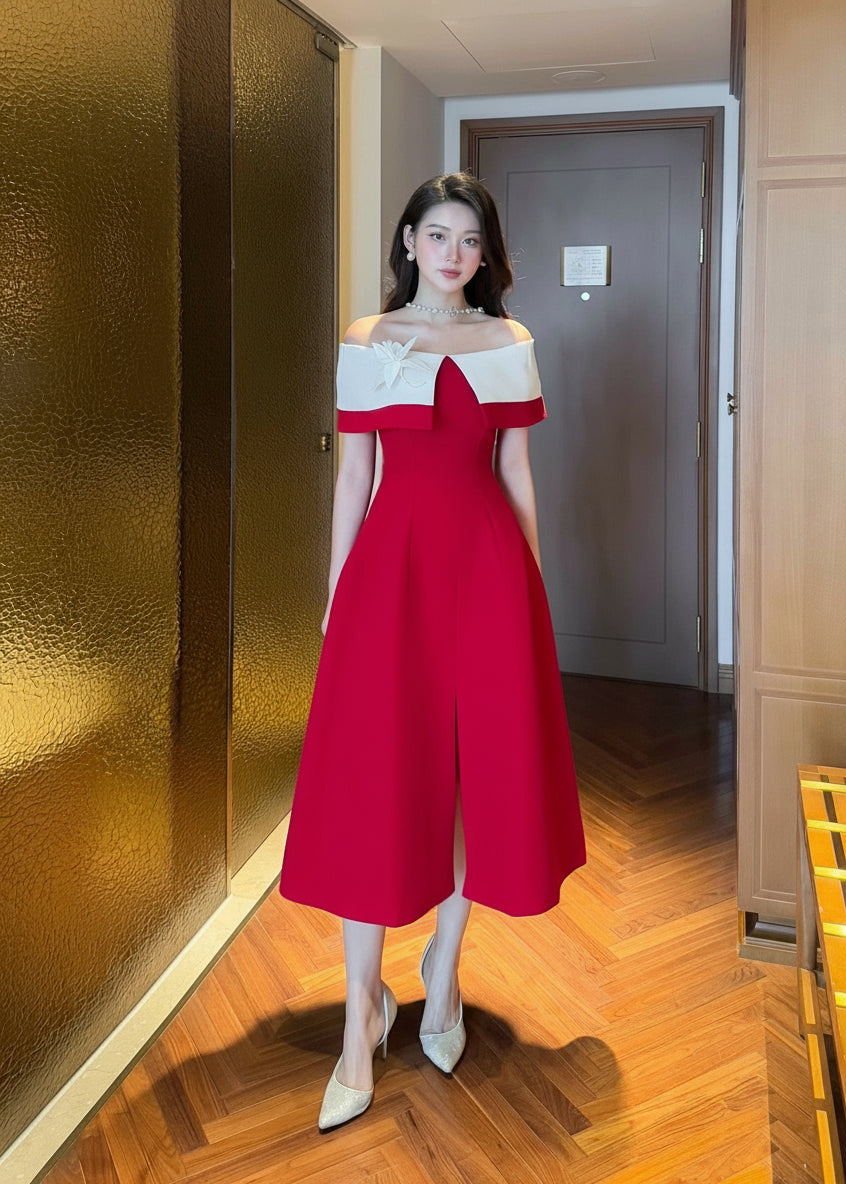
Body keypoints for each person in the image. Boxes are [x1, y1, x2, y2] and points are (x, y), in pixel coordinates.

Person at [279, 172, 586, 1131]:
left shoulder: (510, 343)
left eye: (472, 241)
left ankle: (443, 975)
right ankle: (359, 1015)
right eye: (438, 235)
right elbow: (351, 481)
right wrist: (337, 602)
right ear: (409, 241)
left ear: (487, 256)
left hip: (489, 578)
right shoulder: (367, 344)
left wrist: (533, 590)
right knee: (378, 783)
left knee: (471, 780)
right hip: (390, 581)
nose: (455, 254)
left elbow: (516, 473)